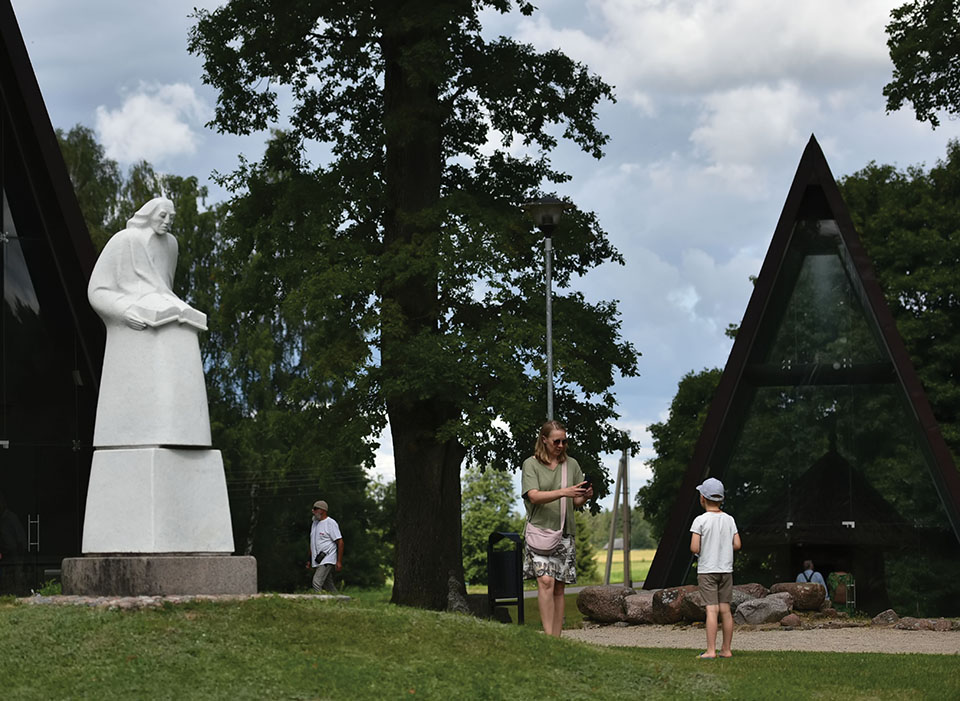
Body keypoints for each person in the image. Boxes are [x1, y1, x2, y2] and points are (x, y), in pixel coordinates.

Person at [521, 420, 592, 637]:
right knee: (545, 581)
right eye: (556, 441)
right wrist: (564, 492)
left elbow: (576, 501)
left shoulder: (572, 465)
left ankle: (556, 638)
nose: (561, 445)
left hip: (564, 531)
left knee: (559, 587)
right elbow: (533, 496)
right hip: (540, 532)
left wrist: (585, 496)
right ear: (544, 440)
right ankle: (547, 634)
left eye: (565, 441)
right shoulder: (530, 465)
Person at [690, 477, 741, 659]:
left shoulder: (700, 521)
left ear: (702, 498)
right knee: (725, 610)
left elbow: (695, 548)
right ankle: (726, 649)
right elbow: (737, 544)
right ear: (722, 499)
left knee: (711, 610)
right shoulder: (729, 519)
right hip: (726, 569)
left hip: (707, 570)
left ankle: (711, 650)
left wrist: (705, 548)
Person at [307, 500, 343, 593]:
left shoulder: (330, 523)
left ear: (322, 510)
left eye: (315, 509)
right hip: (318, 559)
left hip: (327, 558)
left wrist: (338, 561)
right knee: (328, 585)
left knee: (316, 582)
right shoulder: (314, 524)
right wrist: (309, 560)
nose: (313, 511)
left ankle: (319, 603)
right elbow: (312, 543)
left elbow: (340, 542)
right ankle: (340, 601)